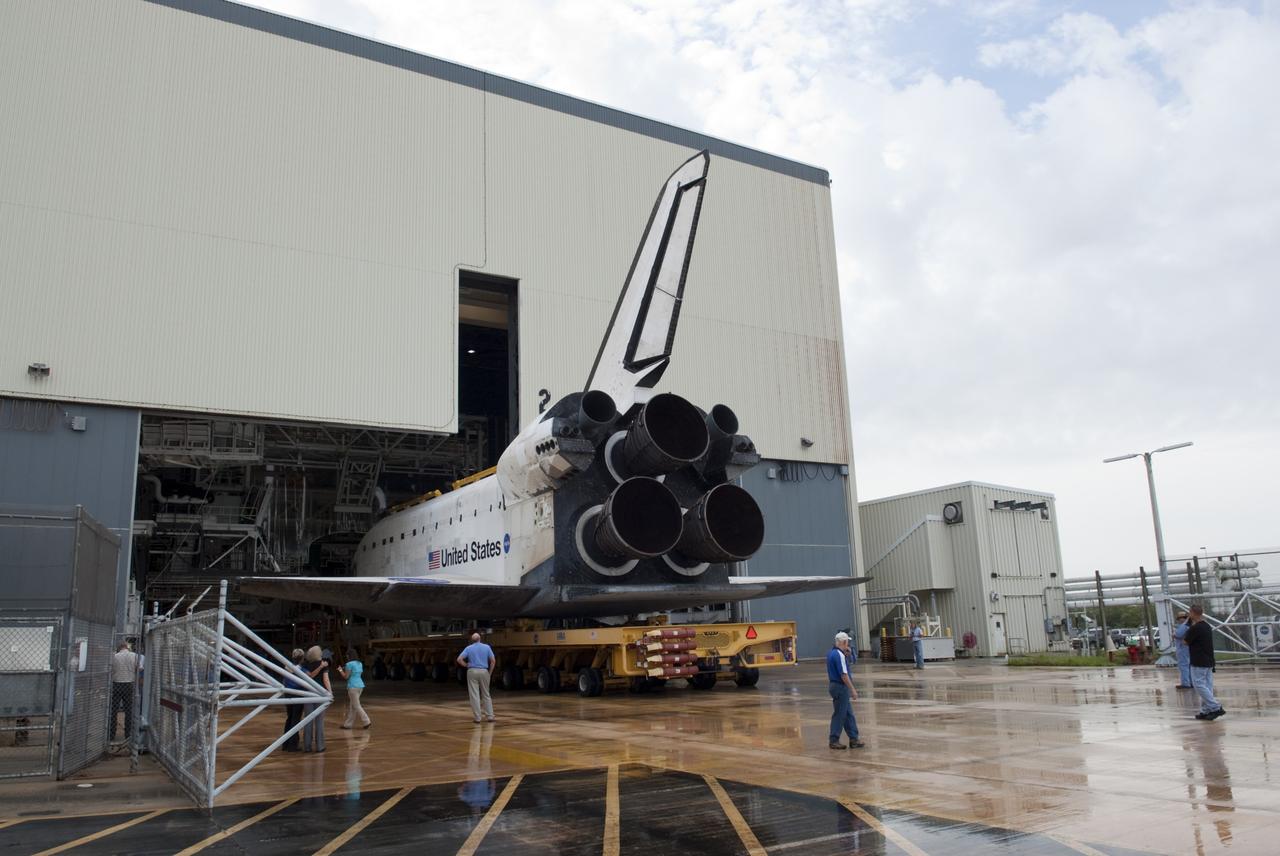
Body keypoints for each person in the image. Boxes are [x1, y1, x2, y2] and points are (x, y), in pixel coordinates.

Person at [1184, 605, 1224, 721]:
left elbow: (1185, 642)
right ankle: (1205, 710)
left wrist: (1188, 626)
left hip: (1198, 660)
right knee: (1207, 686)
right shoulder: (1207, 626)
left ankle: (1215, 707)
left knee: (1199, 685)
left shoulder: (1195, 628)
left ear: (1192, 613)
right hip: (1208, 660)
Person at [827, 631, 864, 750]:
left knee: (848, 714)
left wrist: (846, 656)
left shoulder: (832, 653)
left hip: (835, 685)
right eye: (847, 642)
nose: (848, 644)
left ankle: (854, 738)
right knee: (840, 714)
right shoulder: (839, 655)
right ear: (844, 642)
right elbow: (844, 674)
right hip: (840, 687)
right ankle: (834, 739)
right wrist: (852, 689)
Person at [456, 632, 496, 723]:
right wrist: (489, 673)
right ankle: (490, 716)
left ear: (472, 640)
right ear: (480, 639)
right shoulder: (487, 647)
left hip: (472, 671)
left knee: (474, 695)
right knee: (486, 694)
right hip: (484, 671)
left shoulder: (468, 648)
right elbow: (493, 661)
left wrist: (466, 665)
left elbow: (459, 659)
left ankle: (478, 718)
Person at [302, 646, 332, 751]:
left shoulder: (305, 664)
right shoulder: (323, 665)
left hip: (308, 694)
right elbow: (326, 680)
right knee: (319, 722)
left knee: (308, 721)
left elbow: (307, 677)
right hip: (320, 694)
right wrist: (330, 693)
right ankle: (320, 746)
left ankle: (307, 746)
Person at [110, 641, 140, 743]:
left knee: (113, 710)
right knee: (128, 710)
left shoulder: (115, 656)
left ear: (119, 648)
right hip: (129, 684)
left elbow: (111, 669)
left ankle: (111, 734)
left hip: (116, 684)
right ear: (127, 647)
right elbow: (138, 668)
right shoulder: (134, 656)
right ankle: (128, 734)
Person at [338, 648, 371, 730]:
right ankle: (348, 724)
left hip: (353, 686)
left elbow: (346, 676)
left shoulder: (349, 664)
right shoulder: (360, 663)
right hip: (360, 685)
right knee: (353, 706)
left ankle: (366, 721)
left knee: (356, 705)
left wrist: (340, 670)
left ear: (348, 656)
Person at [282, 648, 305, 752]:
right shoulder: (301, 669)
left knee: (289, 718)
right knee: (295, 720)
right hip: (298, 694)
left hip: (288, 694)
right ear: (302, 658)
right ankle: (293, 745)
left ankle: (285, 743)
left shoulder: (287, 667)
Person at [1173, 611, 1193, 688]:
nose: (1181, 619)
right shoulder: (1190, 625)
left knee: (1183, 666)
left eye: (1182, 618)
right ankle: (1191, 682)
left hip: (1182, 648)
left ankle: (1185, 683)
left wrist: (1174, 634)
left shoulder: (1183, 626)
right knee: (1189, 666)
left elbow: (1178, 634)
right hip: (1188, 648)